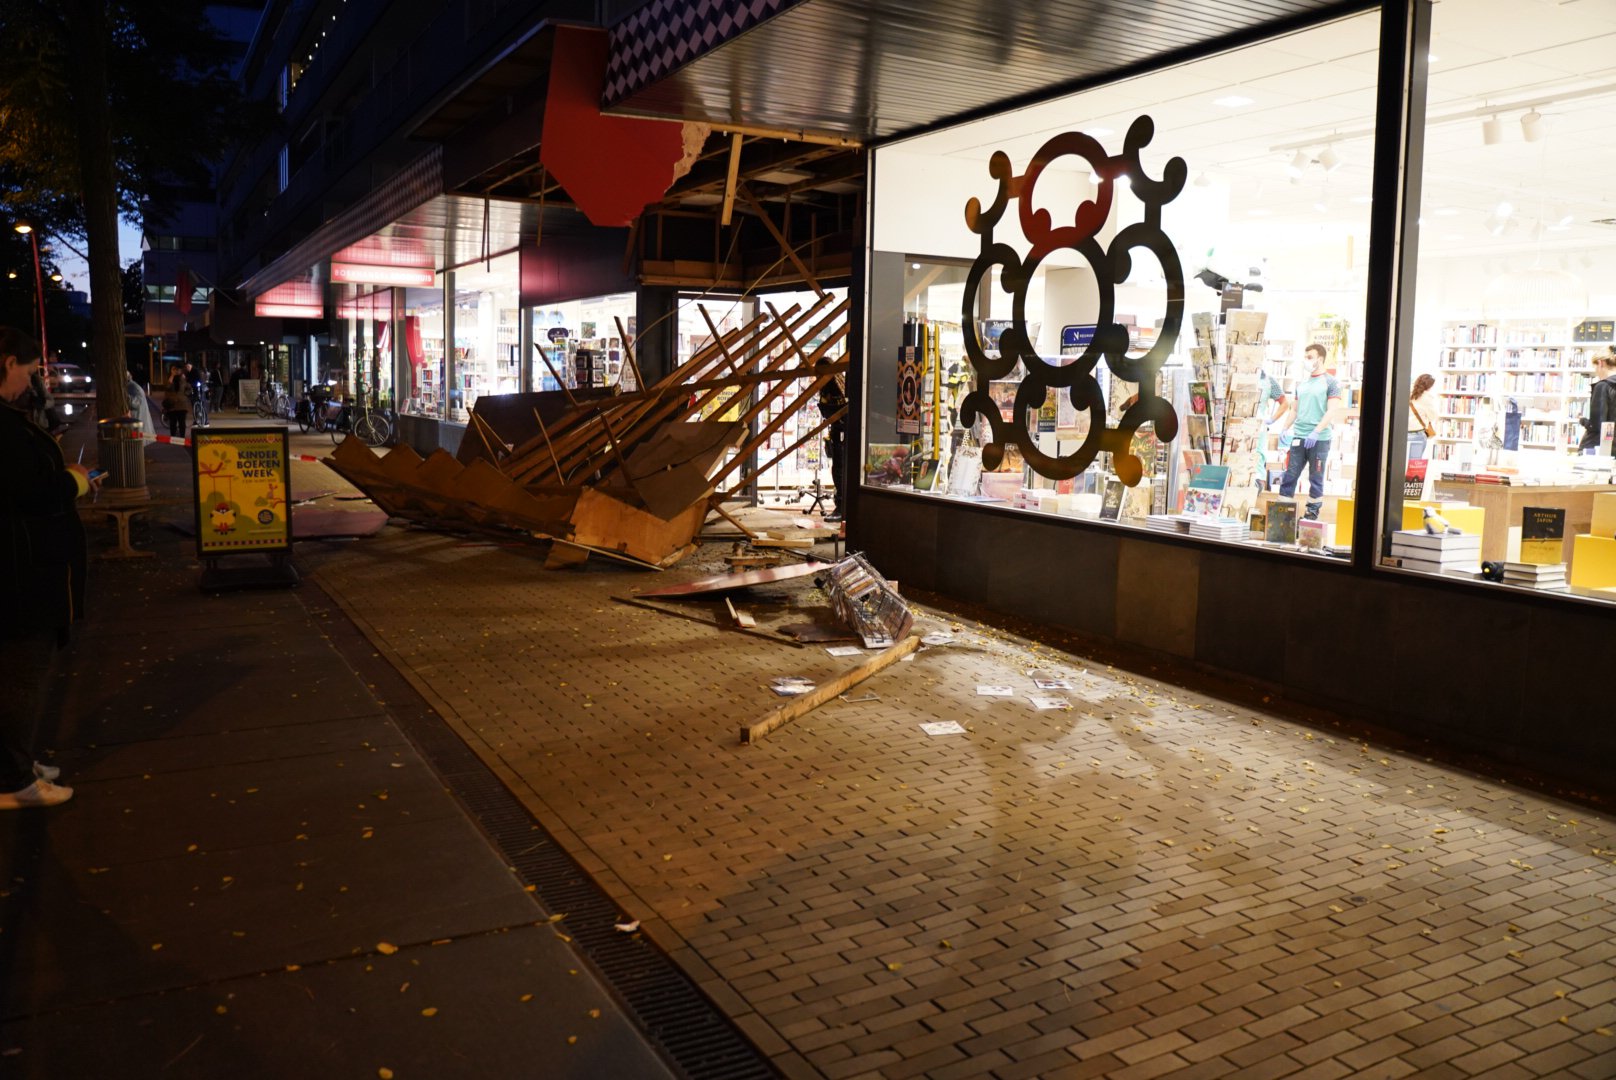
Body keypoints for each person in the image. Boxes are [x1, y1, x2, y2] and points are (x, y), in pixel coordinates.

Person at [0, 326, 95, 809]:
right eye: (29, 370)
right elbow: (31, 493)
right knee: (19, 675)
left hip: (23, 566)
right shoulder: (4, 429)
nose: (32, 382)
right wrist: (73, 482)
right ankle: (12, 780)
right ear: (6, 363)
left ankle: (14, 762)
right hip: (21, 574)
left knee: (16, 673)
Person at [1279, 343, 1345, 521]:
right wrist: (1285, 428)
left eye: (1310, 357)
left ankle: (1311, 516)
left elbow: (1331, 411)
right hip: (1299, 437)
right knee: (1290, 475)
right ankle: (1282, 517)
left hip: (1320, 439)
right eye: (1306, 357)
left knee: (1316, 478)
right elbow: (1294, 409)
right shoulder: (1303, 383)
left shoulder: (1332, 383)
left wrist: (1316, 431)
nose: (1306, 360)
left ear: (1320, 359)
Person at [818, 373, 848, 521]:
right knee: (838, 469)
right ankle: (840, 506)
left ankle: (842, 508)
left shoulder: (835, 386)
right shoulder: (838, 382)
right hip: (838, 431)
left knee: (839, 470)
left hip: (842, 431)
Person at [1578, 348, 1616, 454]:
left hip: (1599, 448)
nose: (1596, 372)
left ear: (1601, 363)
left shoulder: (1603, 386)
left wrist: (1583, 420)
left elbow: (1597, 425)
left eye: (1595, 368)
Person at [1408, 372, 1438, 461]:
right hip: (1417, 434)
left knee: (1401, 464)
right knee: (1414, 465)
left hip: (1402, 433)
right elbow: (1433, 417)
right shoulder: (1426, 398)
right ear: (1429, 386)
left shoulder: (1406, 392)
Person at [162, 365, 192, 438]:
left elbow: (189, 388)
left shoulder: (183, 378)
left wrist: (185, 394)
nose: (176, 371)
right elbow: (167, 387)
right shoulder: (169, 378)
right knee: (173, 422)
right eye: (174, 370)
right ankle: (173, 437)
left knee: (182, 422)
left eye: (177, 370)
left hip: (182, 404)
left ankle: (182, 437)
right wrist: (172, 375)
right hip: (172, 404)